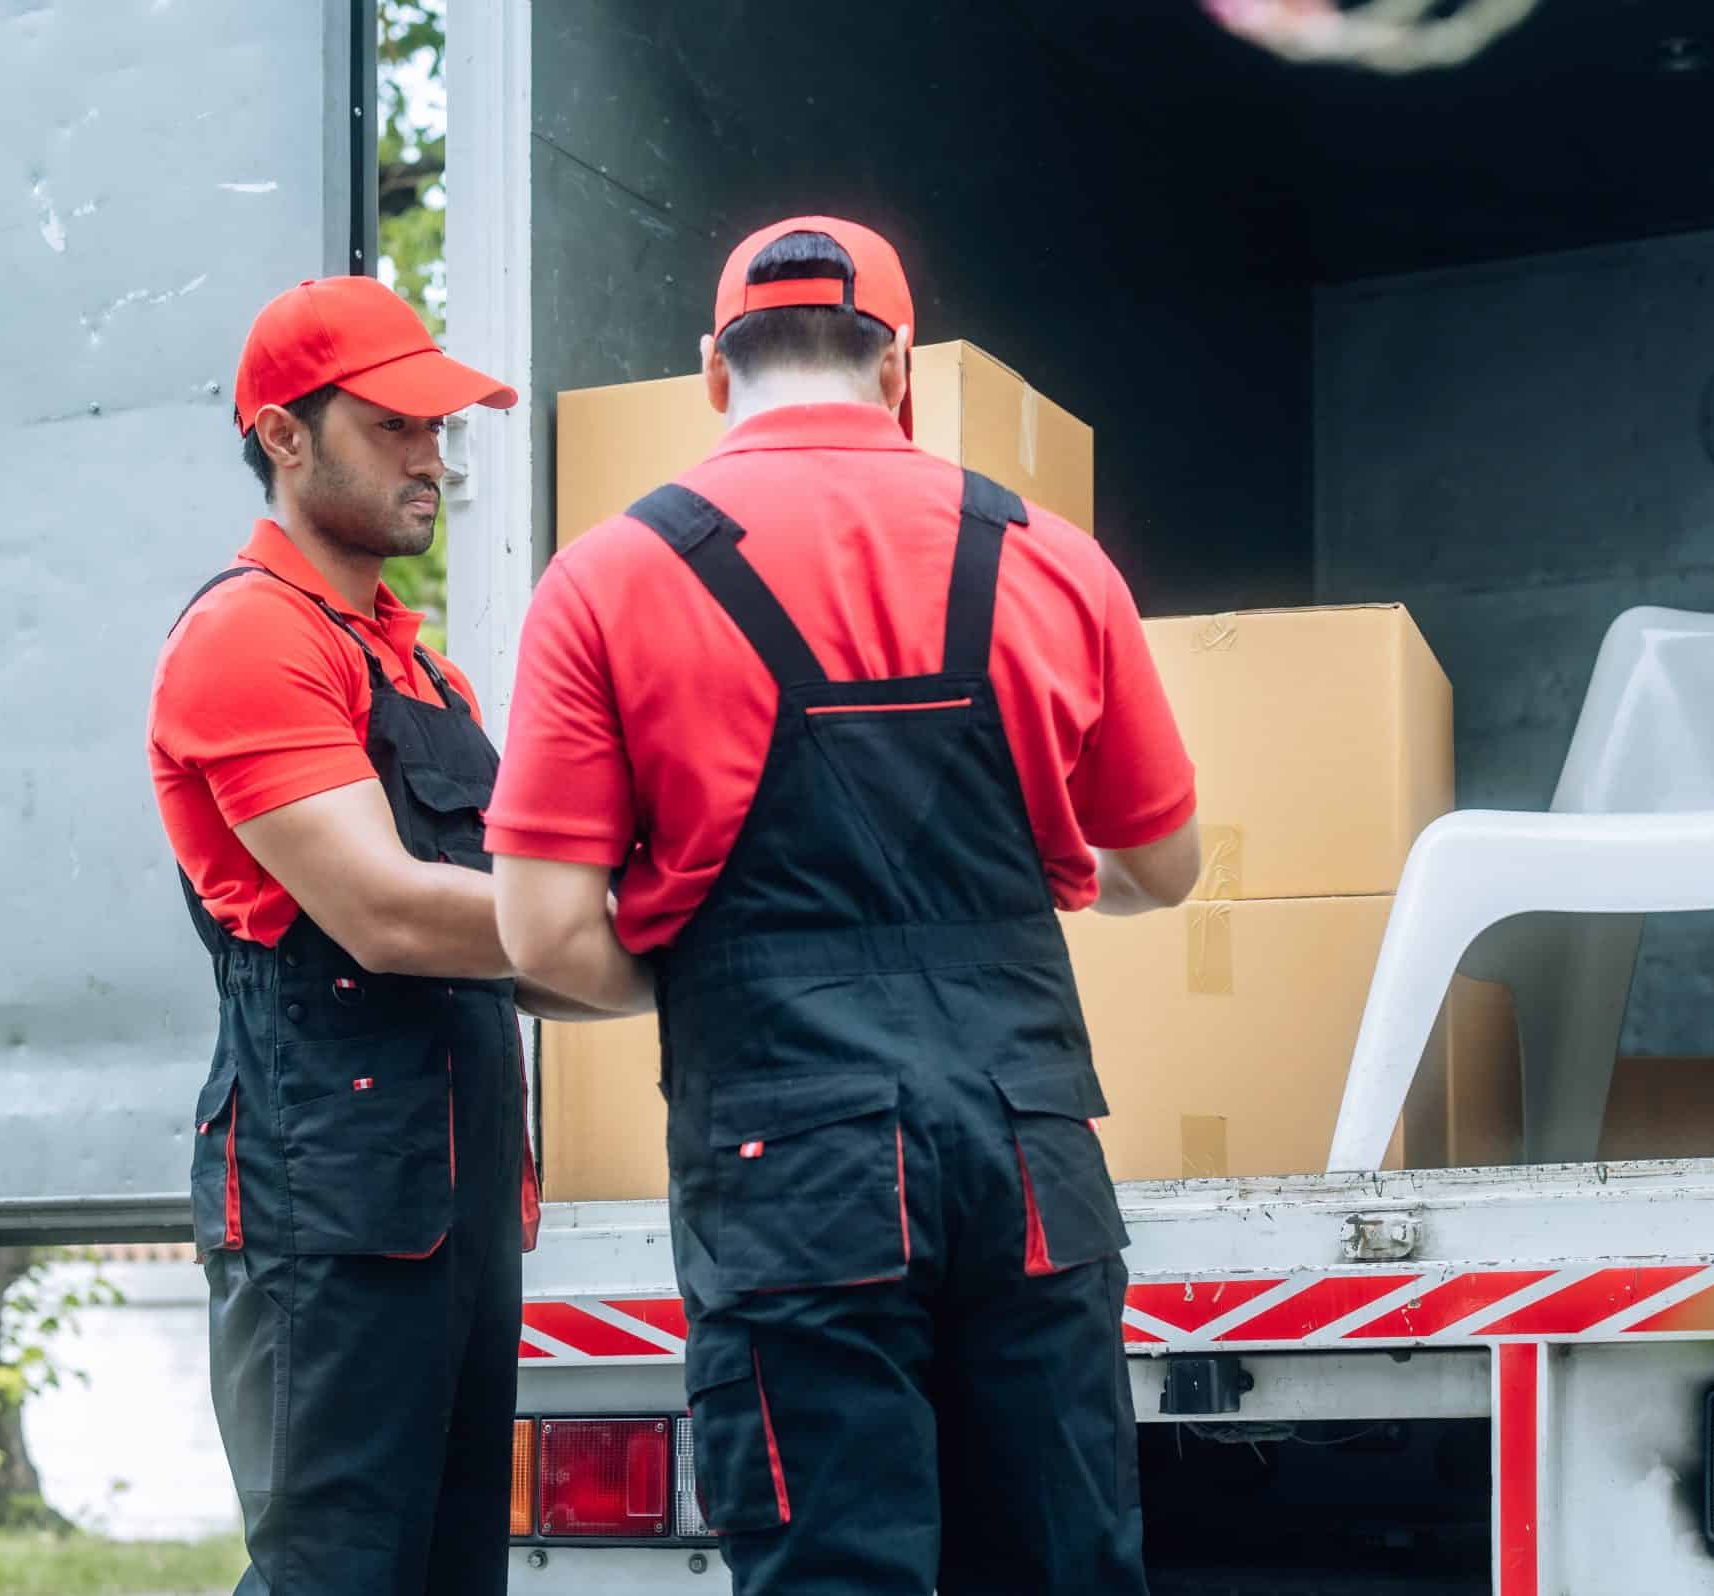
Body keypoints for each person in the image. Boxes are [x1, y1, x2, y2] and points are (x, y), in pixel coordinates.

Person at [485, 216, 1202, 1594]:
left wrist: (725, 965)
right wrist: (1049, 872)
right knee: (1063, 1563)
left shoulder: (608, 579)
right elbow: (1162, 866)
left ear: (713, 373)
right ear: (901, 369)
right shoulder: (1051, 557)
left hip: (789, 1162)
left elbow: (543, 938)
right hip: (1028, 1154)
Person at [147, 274, 600, 1595]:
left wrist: (690, 950)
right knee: (335, 1573)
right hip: (326, 1207)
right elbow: (391, 912)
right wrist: (622, 917)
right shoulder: (247, 640)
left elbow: (517, 943)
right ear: (284, 436)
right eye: (396, 423)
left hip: (455, 1205)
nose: (433, 455)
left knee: (455, 1574)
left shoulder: (423, 668)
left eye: (439, 426)